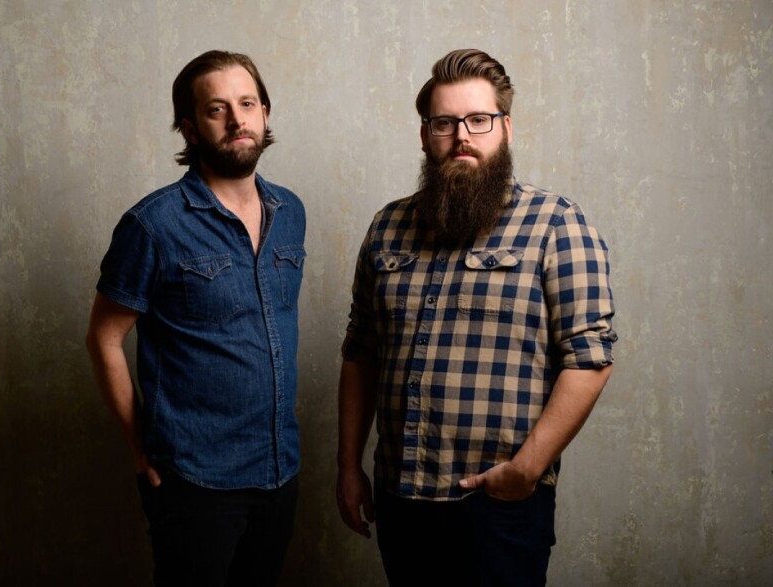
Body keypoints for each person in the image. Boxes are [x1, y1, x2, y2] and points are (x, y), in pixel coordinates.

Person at [336, 49, 617, 586]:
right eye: (444, 122)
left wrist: (527, 469)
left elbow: (590, 358)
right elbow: (360, 353)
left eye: (478, 120)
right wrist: (349, 467)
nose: (462, 135)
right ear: (425, 135)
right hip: (401, 498)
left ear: (504, 128)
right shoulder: (387, 226)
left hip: (499, 503)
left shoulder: (556, 223)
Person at [86, 50, 306, 586]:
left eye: (247, 103)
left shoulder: (291, 212)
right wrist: (140, 447)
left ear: (266, 113)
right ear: (189, 127)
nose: (237, 119)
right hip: (194, 480)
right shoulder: (153, 224)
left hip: (280, 469)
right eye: (217, 109)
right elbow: (103, 338)